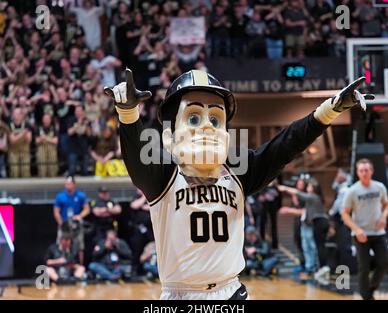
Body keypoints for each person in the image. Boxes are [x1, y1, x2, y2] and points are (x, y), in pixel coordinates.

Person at [104, 67, 372, 300]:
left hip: (231, 292)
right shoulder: (162, 176)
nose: (207, 127)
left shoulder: (239, 173)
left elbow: (286, 144)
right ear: (171, 131)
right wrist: (128, 113)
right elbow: (137, 155)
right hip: (181, 295)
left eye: (215, 119)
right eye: (194, 117)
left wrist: (330, 109)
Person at [342, 158, 388, 300]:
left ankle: (371, 288)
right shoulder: (353, 191)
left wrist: (383, 217)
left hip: (378, 232)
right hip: (361, 234)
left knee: (383, 263)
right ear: (357, 172)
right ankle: (366, 296)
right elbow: (344, 214)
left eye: (366, 170)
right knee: (364, 267)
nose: (364, 173)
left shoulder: (380, 187)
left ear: (372, 171)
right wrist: (356, 229)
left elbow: (386, 205)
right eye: (361, 170)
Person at [278, 178, 329, 279]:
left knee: (317, 247)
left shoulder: (313, 197)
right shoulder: (313, 198)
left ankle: (320, 268)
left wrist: (284, 188)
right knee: (313, 246)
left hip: (319, 222)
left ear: (313, 188)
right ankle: (314, 268)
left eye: (309, 186)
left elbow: (298, 193)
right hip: (316, 222)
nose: (308, 187)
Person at [53, 176, 90, 265]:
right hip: (64, 224)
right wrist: (61, 223)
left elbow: (87, 209)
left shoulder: (80, 195)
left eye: (69, 184)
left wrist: (79, 216)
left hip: (76, 225)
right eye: (66, 184)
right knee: (61, 245)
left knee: (80, 246)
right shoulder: (60, 196)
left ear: (74, 184)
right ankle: (60, 265)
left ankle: (80, 266)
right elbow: (56, 212)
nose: (67, 186)